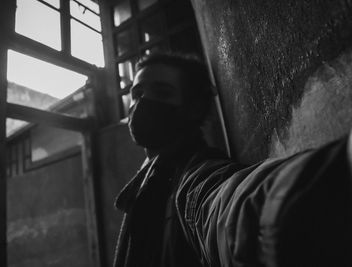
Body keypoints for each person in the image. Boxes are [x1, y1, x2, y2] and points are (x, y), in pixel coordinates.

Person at [113, 52, 352, 267]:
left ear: (194, 108)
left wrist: (335, 175)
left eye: (162, 92)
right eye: (137, 93)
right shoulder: (147, 182)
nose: (142, 102)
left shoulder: (195, 175)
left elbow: (228, 209)